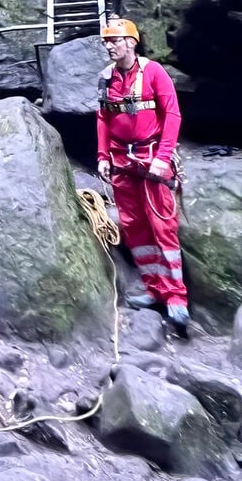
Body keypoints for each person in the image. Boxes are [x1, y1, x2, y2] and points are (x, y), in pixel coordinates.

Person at [96, 18, 189, 333]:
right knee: (135, 228)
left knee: (163, 226)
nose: (109, 46)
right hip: (123, 163)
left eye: (115, 40)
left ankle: (176, 297)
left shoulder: (154, 73)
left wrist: (164, 157)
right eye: (106, 41)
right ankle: (154, 289)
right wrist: (102, 155)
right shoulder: (106, 78)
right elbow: (104, 118)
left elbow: (172, 113)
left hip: (151, 160)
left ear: (132, 42)